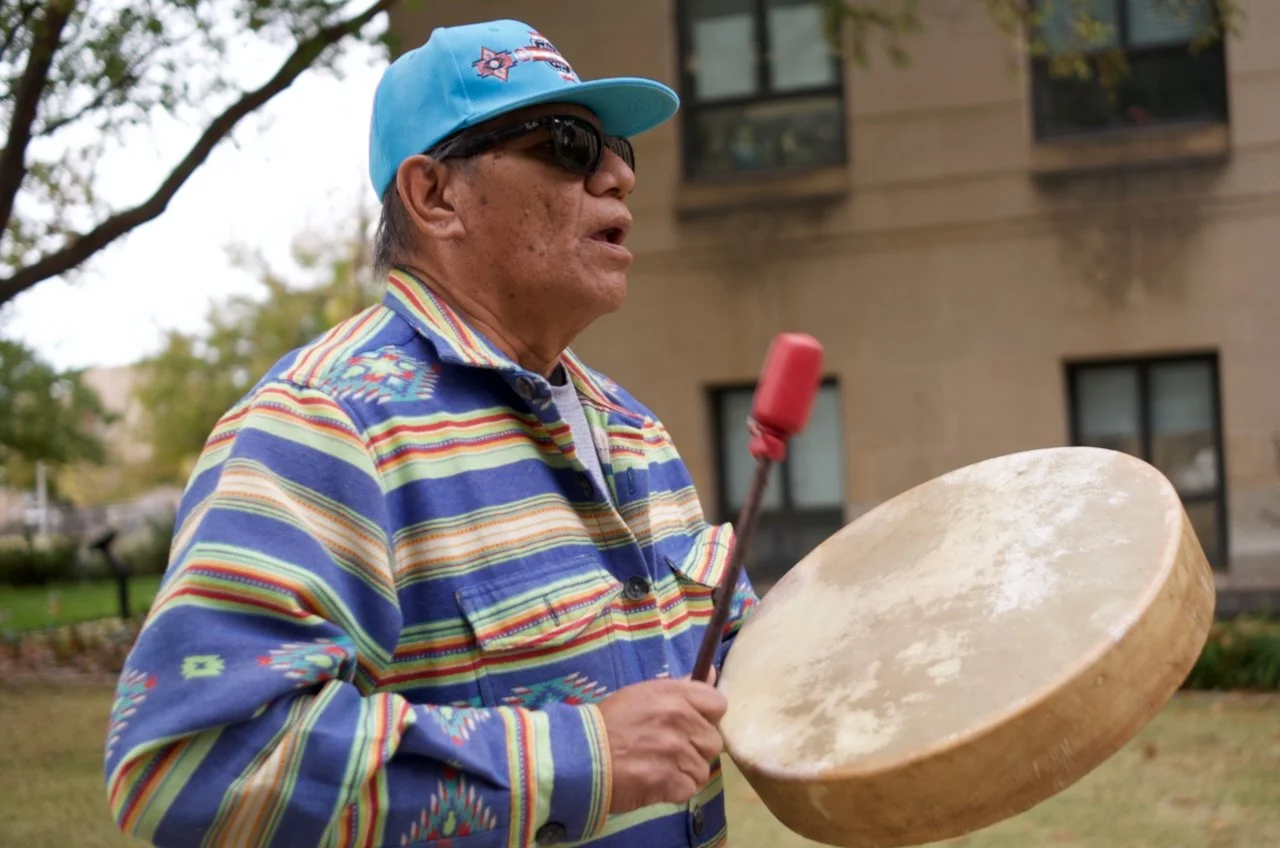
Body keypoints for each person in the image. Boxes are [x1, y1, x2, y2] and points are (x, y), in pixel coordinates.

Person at [103, 17, 760, 848]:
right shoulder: (327, 424)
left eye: (623, 149)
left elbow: (741, 657)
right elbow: (195, 765)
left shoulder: (631, 428)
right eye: (569, 143)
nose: (618, 175)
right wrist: (583, 752)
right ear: (434, 195)